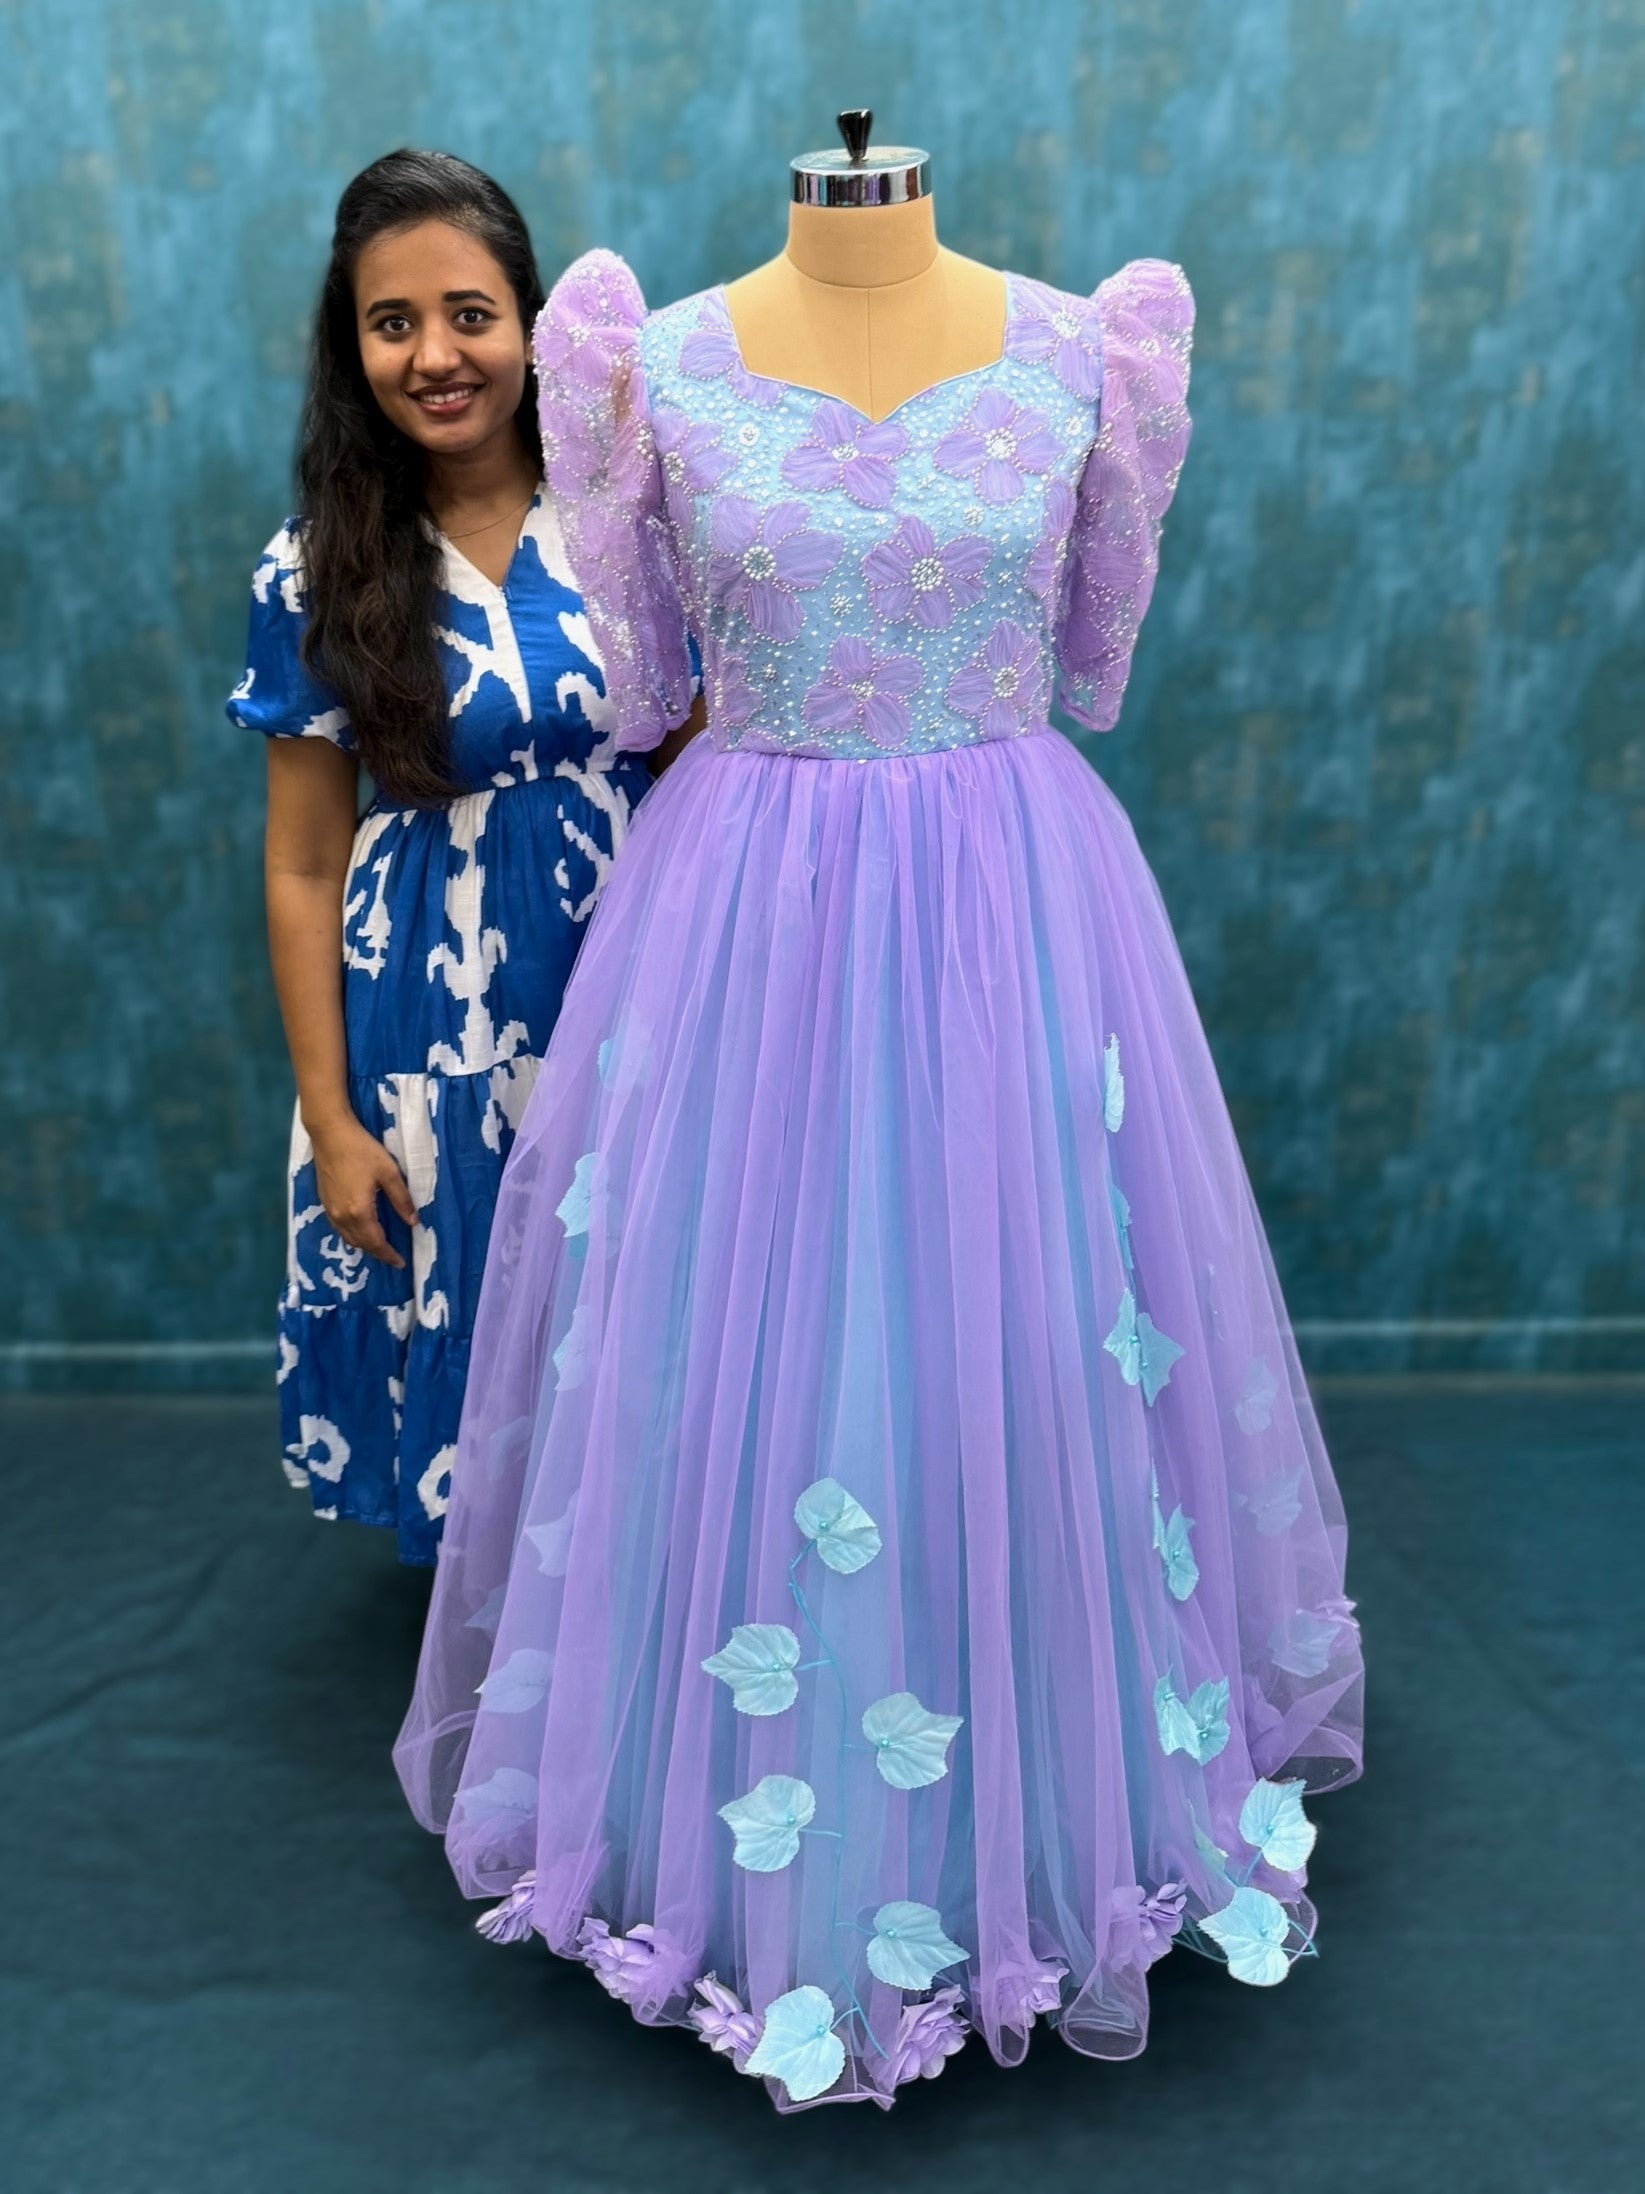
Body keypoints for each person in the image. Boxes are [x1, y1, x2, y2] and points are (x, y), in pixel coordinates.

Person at [394, 208, 1363, 2108]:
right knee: (757, 1328)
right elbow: (651, 665)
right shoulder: (640, 355)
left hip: (1011, 897)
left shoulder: (1095, 345)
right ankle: (747, 1802)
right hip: (749, 908)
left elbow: (1087, 667)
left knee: (1017, 1325)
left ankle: (1039, 1785)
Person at [228, 152, 653, 1564]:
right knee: (476, 1323)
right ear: (352, 350)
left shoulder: (637, 522)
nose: (434, 355)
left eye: (468, 312)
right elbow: (300, 862)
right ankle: (510, 1653)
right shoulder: (315, 570)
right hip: (431, 1024)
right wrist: (334, 1119)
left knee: (646, 1308)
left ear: (529, 320)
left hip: (632, 989)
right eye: (390, 322)